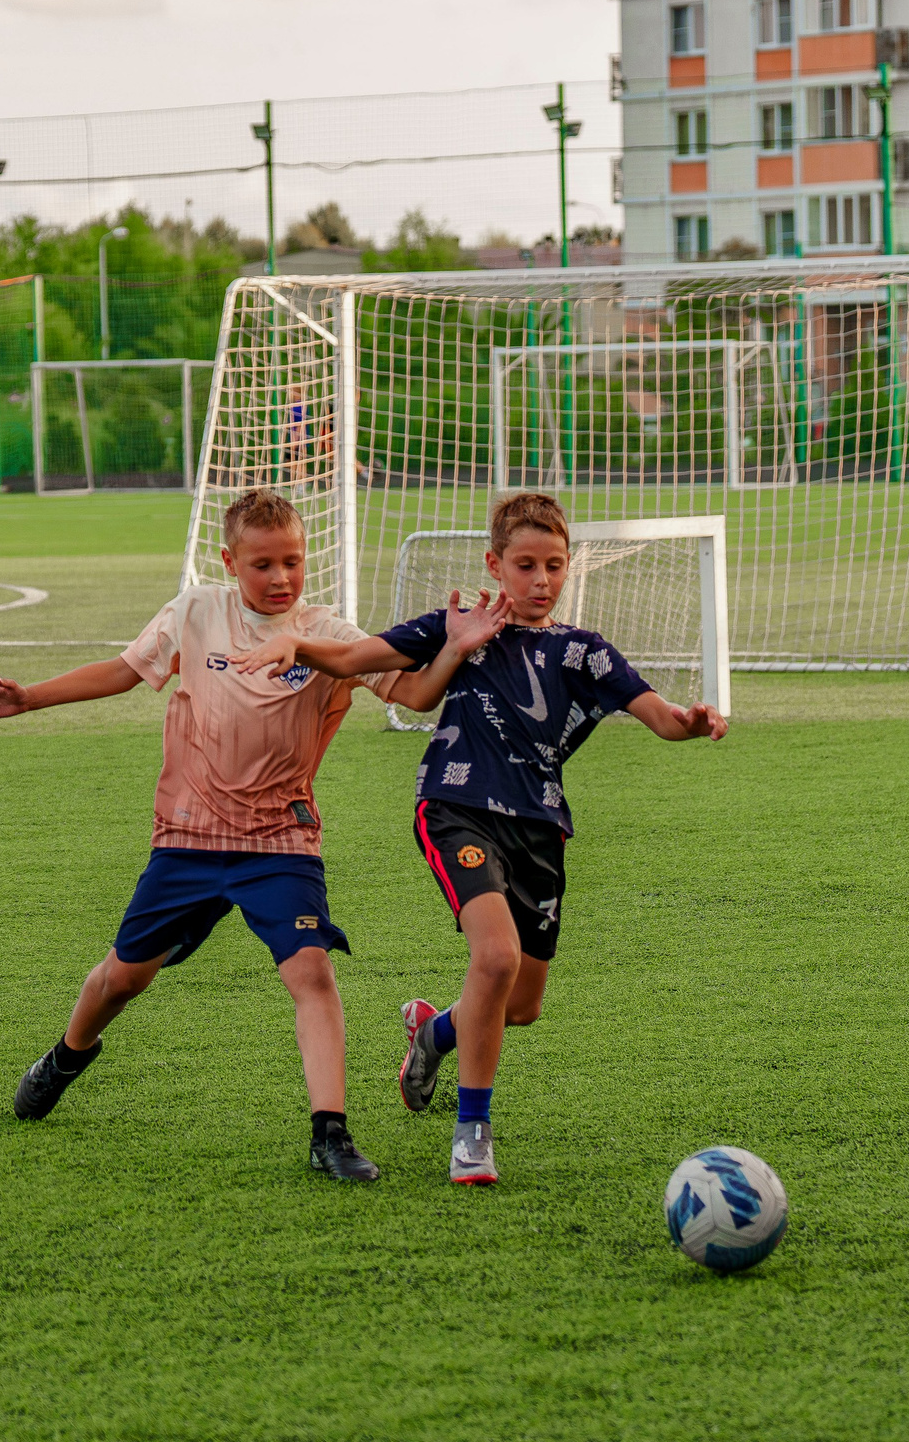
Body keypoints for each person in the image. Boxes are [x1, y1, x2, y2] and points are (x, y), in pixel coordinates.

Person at [0, 488, 506, 1183]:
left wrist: (453, 649)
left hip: (280, 839)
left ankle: (329, 1133)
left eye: (293, 561)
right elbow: (122, 672)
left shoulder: (328, 631)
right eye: (263, 563)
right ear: (229, 561)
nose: (280, 578)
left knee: (312, 971)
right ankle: (66, 1054)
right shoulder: (196, 612)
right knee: (124, 976)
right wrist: (31, 695)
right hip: (187, 835)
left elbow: (413, 694)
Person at [232, 492, 728, 1187]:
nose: (541, 580)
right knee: (494, 957)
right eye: (525, 564)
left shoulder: (585, 652)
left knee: (519, 1004)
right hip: (456, 806)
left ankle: (434, 1034)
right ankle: (473, 1133)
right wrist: (297, 642)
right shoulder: (457, 626)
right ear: (496, 564)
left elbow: (660, 716)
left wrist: (692, 717)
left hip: (540, 829)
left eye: (554, 565)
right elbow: (357, 657)